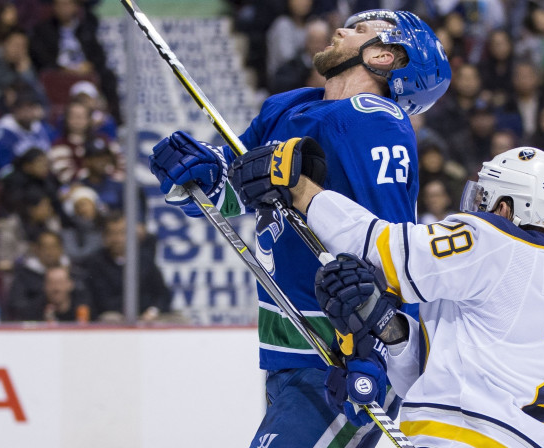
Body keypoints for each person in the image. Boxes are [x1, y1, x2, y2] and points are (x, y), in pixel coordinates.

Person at [147, 9, 451, 448]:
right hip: (286, 347)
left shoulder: (375, 119)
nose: (342, 29)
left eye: (360, 30)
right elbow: (235, 188)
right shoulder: (287, 107)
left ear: (386, 56)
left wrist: (379, 348)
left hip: (343, 354)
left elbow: (392, 246)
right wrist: (197, 173)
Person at [231, 144, 544, 447]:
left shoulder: (496, 242)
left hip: (470, 437)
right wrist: (387, 327)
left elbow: (382, 248)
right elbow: (434, 373)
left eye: (486, 197)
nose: (477, 207)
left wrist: (302, 191)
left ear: (507, 208)